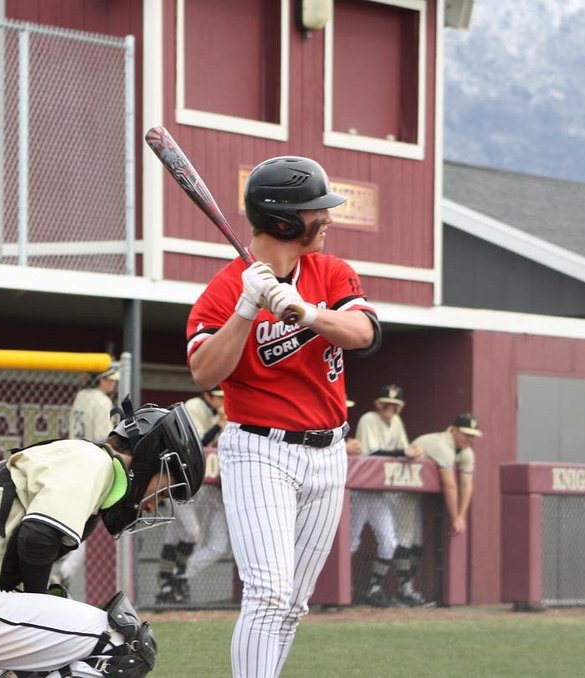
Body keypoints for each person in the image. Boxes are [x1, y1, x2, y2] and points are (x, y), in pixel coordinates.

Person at [186, 156, 380, 677]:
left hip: (329, 451)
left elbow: (364, 335)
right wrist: (248, 310)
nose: (328, 218)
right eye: (317, 210)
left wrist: (307, 311)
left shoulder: (332, 272)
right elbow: (204, 372)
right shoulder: (227, 289)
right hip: (259, 450)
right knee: (269, 593)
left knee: (293, 603)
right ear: (284, 221)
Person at [0, 399, 205, 677]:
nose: (151, 504)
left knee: (60, 650)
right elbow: (38, 537)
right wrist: (38, 602)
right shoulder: (92, 458)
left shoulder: (61, 455)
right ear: (149, 457)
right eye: (161, 491)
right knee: (125, 644)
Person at [397, 414, 483, 607]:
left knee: (415, 541)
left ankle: (406, 589)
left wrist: (461, 516)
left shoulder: (466, 451)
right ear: (453, 430)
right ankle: (388, 590)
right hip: (398, 489)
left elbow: (467, 485)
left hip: (414, 494)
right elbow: (450, 485)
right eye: (465, 434)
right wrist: (455, 518)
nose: (469, 439)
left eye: (472, 435)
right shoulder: (441, 444)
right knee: (403, 539)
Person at [347, 385, 420, 607]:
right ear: (377, 404)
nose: (390, 409)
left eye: (395, 406)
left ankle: (374, 588)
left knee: (390, 542)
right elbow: (372, 453)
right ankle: (338, 589)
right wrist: (402, 453)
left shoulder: (397, 423)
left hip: (378, 493)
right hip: (360, 488)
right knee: (350, 541)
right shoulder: (369, 419)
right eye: (386, 405)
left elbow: (404, 450)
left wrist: (413, 453)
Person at [156, 387, 225, 605]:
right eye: (217, 397)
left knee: (175, 533)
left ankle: (169, 582)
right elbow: (198, 444)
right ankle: (173, 578)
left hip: (191, 482)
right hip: (177, 478)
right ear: (207, 396)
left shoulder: (214, 412)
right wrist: (218, 426)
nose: (220, 401)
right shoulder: (194, 406)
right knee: (192, 532)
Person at [59, 365, 121, 589]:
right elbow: (104, 438)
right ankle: (62, 572)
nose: (112, 384)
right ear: (100, 380)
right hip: (90, 462)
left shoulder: (81, 396)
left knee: (74, 520)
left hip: (73, 457)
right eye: (109, 380)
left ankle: (60, 570)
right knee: (86, 523)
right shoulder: (102, 400)